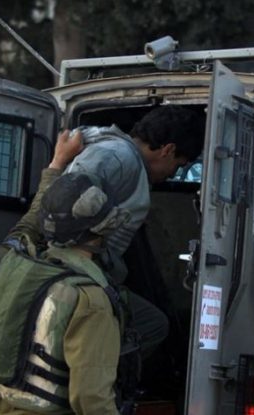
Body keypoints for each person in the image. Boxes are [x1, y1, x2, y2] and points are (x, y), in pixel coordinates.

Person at [0, 129, 129, 414]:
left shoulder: (14, 265)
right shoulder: (89, 299)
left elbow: (29, 223)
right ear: (103, 228)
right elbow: (92, 399)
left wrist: (57, 164)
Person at [65, 106, 205, 356]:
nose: (172, 174)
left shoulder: (125, 159)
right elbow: (66, 208)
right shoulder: (119, 158)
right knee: (152, 325)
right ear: (168, 150)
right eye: (177, 166)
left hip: (87, 274)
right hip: (75, 275)